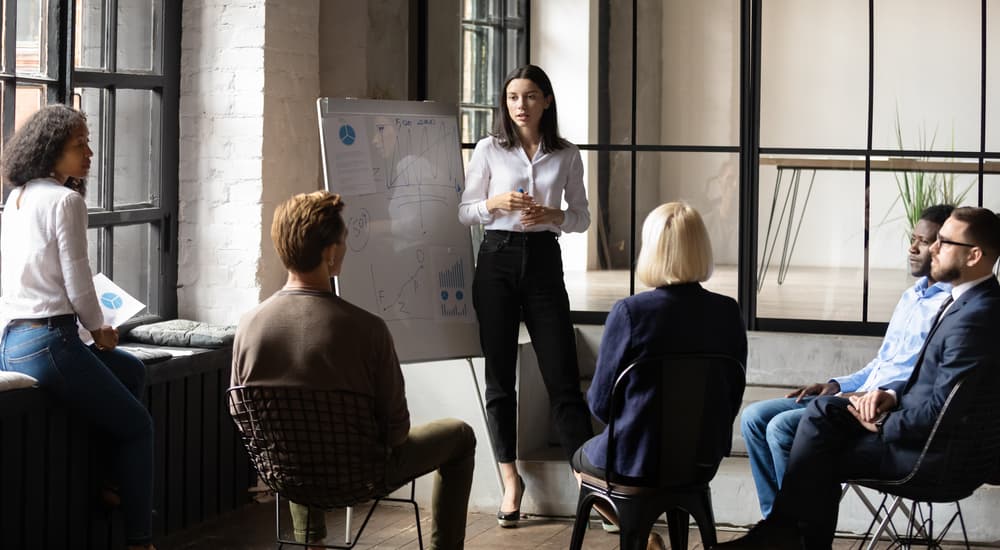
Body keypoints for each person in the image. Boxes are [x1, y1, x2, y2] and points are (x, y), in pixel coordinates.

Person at [716, 206, 1000, 549]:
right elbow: (929, 384)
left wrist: (882, 422)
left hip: (927, 456)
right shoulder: (967, 305)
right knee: (821, 412)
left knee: (806, 439)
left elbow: (943, 410)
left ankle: (785, 532)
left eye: (943, 241)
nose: (932, 249)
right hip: (908, 424)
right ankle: (785, 529)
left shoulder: (975, 317)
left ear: (974, 255)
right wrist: (890, 398)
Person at [232, 191, 476, 550]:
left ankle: (311, 541)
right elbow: (396, 433)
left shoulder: (248, 327)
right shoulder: (367, 329)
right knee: (460, 436)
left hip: (287, 476)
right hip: (361, 476)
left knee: (294, 432)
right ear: (331, 252)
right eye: (343, 241)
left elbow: (247, 417)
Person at [0, 105, 154, 550]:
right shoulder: (66, 200)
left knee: (133, 372)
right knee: (139, 426)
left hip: (13, 340)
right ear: (52, 153)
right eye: (78, 146)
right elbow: (78, 279)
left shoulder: (19, 196)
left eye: (88, 142)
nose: (89, 153)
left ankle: (111, 480)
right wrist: (101, 329)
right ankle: (141, 540)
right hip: (51, 341)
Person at [740, 204, 954, 519]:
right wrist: (836, 384)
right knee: (754, 417)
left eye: (924, 241)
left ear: (942, 248)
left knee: (781, 428)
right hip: (849, 398)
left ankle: (799, 529)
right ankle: (778, 524)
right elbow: (880, 364)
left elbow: (919, 382)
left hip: (876, 411)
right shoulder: (911, 297)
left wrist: (866, 397)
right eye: (913, 238)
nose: (913, 247)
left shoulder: (949, 307)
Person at [458, 64, 593, 527]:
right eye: (513, 96)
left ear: (546, 101)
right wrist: (492, 205)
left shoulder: (567, 155)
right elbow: (463, 212)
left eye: (530, 96)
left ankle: (586, 482)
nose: (520, 105)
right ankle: (510, 481)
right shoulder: (489, 149)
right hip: (494, 260)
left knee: (562, 375)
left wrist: (554, 214)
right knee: (499, 377)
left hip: (542, 260)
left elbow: (582, 219)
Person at [574, 202, 747, 550]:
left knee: (578, 462)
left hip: (634, 460)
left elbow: (600, 405)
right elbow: (732, 396)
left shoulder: (630, 313)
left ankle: (641, 537)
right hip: (701, 460)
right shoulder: (728, 313)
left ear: (650, 250)